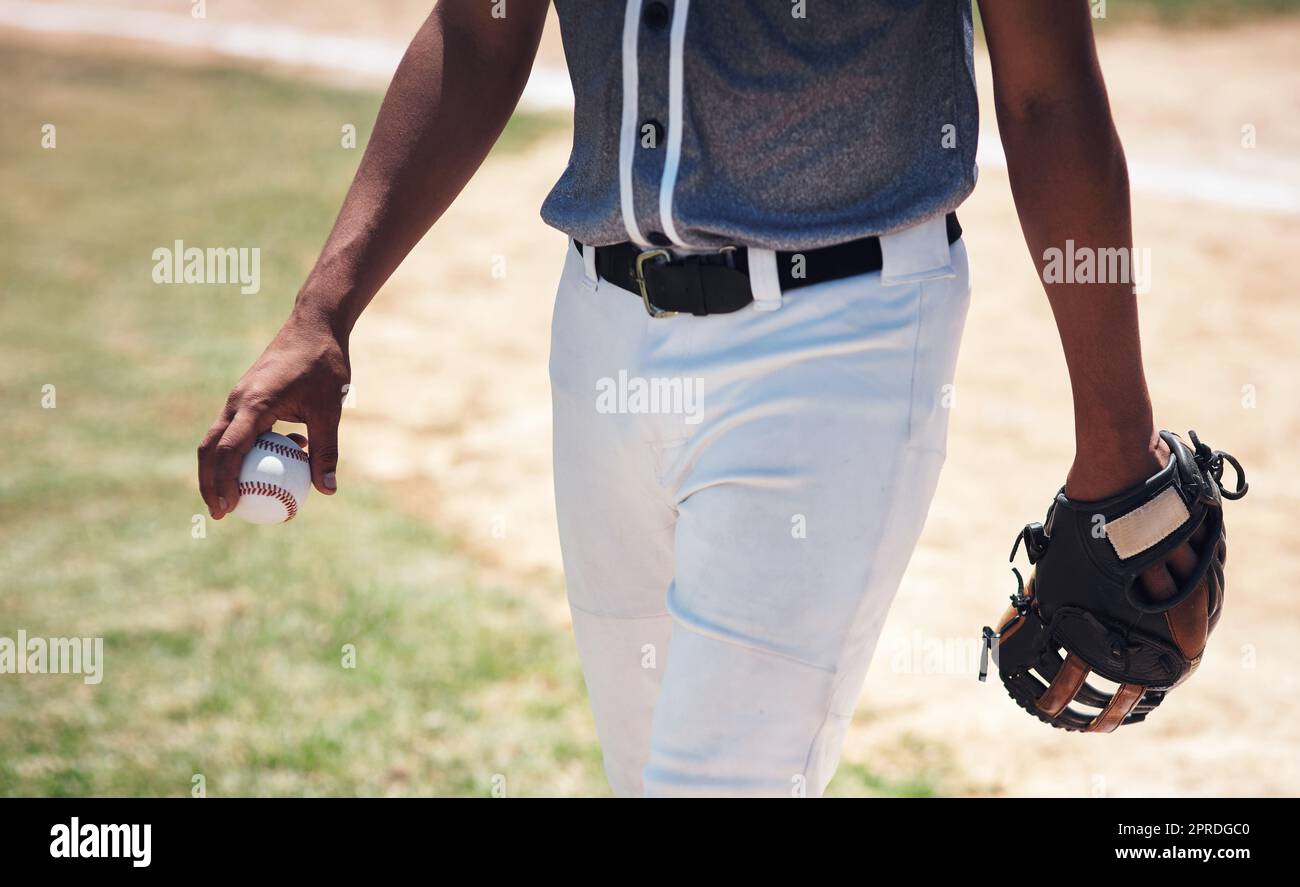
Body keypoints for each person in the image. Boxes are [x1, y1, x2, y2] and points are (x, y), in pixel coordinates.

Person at [198, 0, 1193, 797]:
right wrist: (324, 308)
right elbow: (478, 28)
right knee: (647, 777)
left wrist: (1114, 433)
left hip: (837, 336)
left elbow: (1047, 87)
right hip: (599, 332)